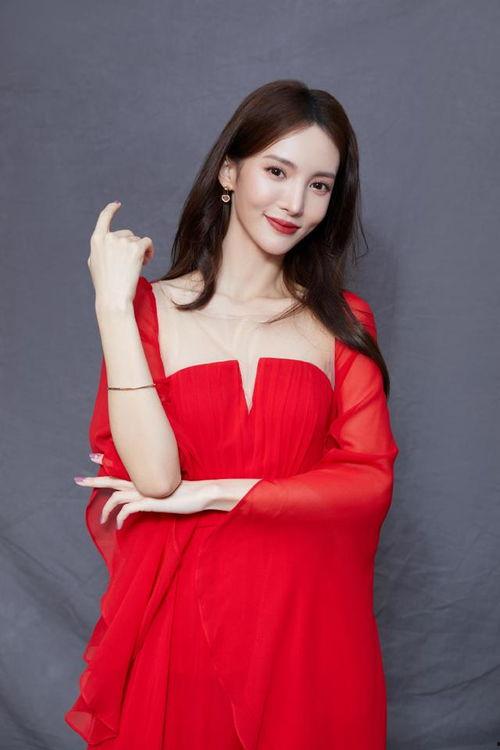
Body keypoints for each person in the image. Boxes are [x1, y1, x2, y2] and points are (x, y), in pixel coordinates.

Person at [65, 79, 399, 749]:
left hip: (307, 626)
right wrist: (112, 304)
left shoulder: (343, 322)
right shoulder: (147, 312)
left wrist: (217, 492)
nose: (295, 203)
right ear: (229, 171)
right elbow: (156, 478)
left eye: (319, 185)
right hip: (186, 620)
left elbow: (369, 480)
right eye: (277, 171)